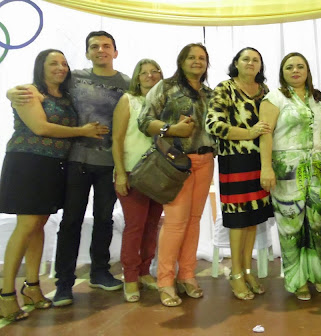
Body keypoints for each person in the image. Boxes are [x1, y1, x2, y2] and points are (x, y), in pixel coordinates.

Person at [7, 31, 130, 306]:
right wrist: (12, 91)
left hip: (110, 163)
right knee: (71, 221)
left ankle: (100, 272)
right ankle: (64, 283)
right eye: (95, 46)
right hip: (75, 161)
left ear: (115, 52)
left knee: (105, 220)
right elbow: (41, 87)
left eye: (106, 46)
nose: (101, 50)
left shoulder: (127, 83)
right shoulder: (74, 78)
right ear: (87, 53)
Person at [0, 49, 107, 322]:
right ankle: (6, 294)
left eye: (64, 63)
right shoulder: (29, 92)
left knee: (39, 226)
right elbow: (41, 128)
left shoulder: (66, 96)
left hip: (55, 166)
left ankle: (32, 287)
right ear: (41, 67)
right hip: (28, 164)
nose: (60, 67)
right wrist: (82, 132)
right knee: (26, 226)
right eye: (53, 63)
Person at [138, 43, 216, 307]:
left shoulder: (209, 93)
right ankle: (165, 281)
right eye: (191, 57)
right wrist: (171, 129)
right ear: (181, 61)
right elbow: (144, 121)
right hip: (175, 163)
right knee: (175, 223)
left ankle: (187, 275)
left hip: (205, 161)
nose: (197, 61)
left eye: (202, 58)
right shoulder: (165, 87)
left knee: (194, 221)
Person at [259, 52, 321, 300]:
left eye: (300, 66)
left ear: (308, 71)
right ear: (282, 72)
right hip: (286, 167)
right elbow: (265, 134)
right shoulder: (274, 98)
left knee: (316, 223)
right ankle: (296, 279)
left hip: (318, 166)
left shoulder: (317, 99)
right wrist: (266, 167)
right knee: (291, 224)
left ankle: (315, 274)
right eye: (289, 67)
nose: (295, 70)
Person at [206, 47, 273, 301]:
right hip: (234, 160)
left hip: (260, 161)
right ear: (236, 63)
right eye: (246, 59)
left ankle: (247, 270)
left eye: (256, 60)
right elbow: (213, 124)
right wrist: (249, 133)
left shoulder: (265, 91)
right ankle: (235, 273)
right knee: (238, 219)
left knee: (253, 218)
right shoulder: (225, 88)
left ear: (260, 66)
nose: (251, 63)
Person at [112, 59, 164, 302]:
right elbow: (117, 139)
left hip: (160, 173)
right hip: (133, 172)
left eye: (155, 72)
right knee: (135, 226)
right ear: (137, 77)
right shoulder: (128, 100)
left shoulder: (165, 103)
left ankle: (144, 271)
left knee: (152, 225)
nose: (150, 76)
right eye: (144, 72)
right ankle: (130, 276)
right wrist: (121, 173)